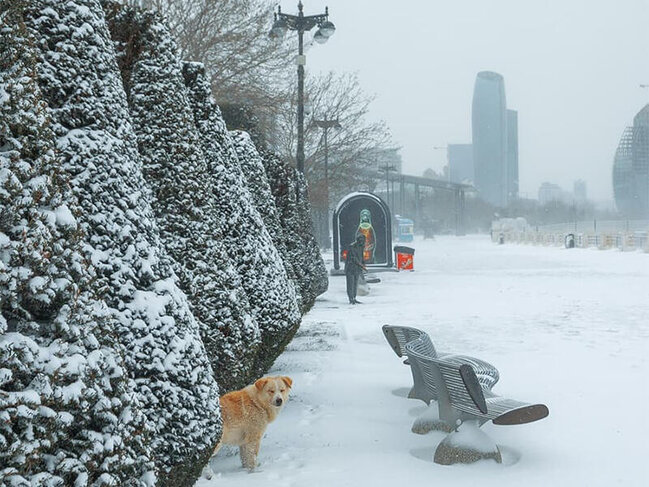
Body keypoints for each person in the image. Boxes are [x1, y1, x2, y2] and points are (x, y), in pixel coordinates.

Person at [345, 234, 367, 304]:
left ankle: (354, 298)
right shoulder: (352, 247)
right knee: (350, 284)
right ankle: (351, 299)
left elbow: (361, 257)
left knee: (355, 284)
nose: (363, 242)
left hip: (357, 268)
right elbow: (353, 258)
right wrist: (361, 265)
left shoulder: (361, 247)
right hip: (350, 268)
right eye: (362, 240)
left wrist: (363, 263)